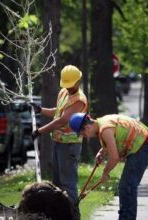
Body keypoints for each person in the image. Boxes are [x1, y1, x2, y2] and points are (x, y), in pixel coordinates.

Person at [69, 113, 148, 220]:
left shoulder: (105, 130)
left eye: (83, 134)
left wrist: (105, 173)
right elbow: (115, 137)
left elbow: (114, 157)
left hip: (143, 147)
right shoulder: (102, 122)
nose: (86, 137)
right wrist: (102, 152)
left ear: (87, 127)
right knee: (126, 186)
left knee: (127, 186)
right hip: (143, 144)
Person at [30, 65, 87, 219]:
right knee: (57, 185)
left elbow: (62, 120)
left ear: (78, 81)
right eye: (66, 85)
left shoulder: (80, 100)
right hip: (58, 142)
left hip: (70, 146)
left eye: (71, 85)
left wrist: (40, 131)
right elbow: (58, 112)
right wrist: (41, 110)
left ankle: (74, 217)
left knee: (68, 184)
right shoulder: (64, 92)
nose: (68, 88)